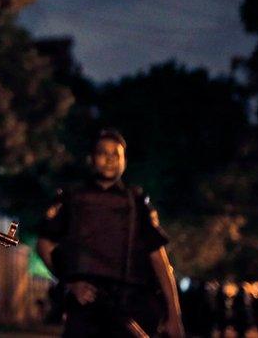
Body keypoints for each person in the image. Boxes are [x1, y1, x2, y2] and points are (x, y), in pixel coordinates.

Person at [37, 129, 184, 338]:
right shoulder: (73, 198)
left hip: (127, 305)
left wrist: (174, 315)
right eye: (103, 153)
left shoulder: (136, 202)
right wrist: (70, 283)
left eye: (116, 154)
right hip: (85, 306)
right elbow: (44, 244)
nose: (109, 159)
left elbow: (159, 259)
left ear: (124, 161)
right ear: (92, 158)